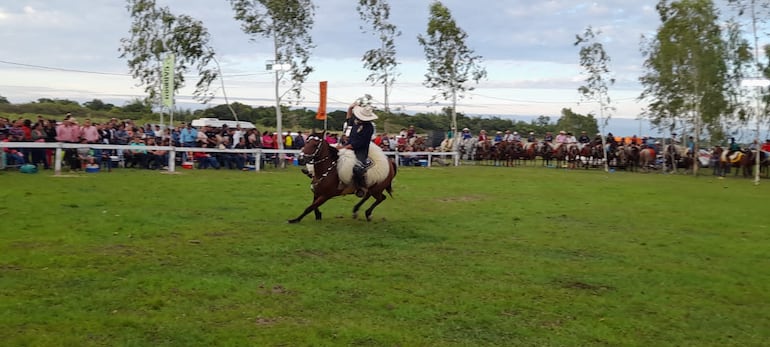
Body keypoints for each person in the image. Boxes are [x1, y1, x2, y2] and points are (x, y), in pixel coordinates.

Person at [343, 100, 378, 197]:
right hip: (348, 146)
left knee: (357, 168)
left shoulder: (369, 128)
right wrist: (350, 108)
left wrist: (345, 147)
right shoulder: (355, 122)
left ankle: (360, 187)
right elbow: (348, 119)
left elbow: (360, 143)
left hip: (360, 150)